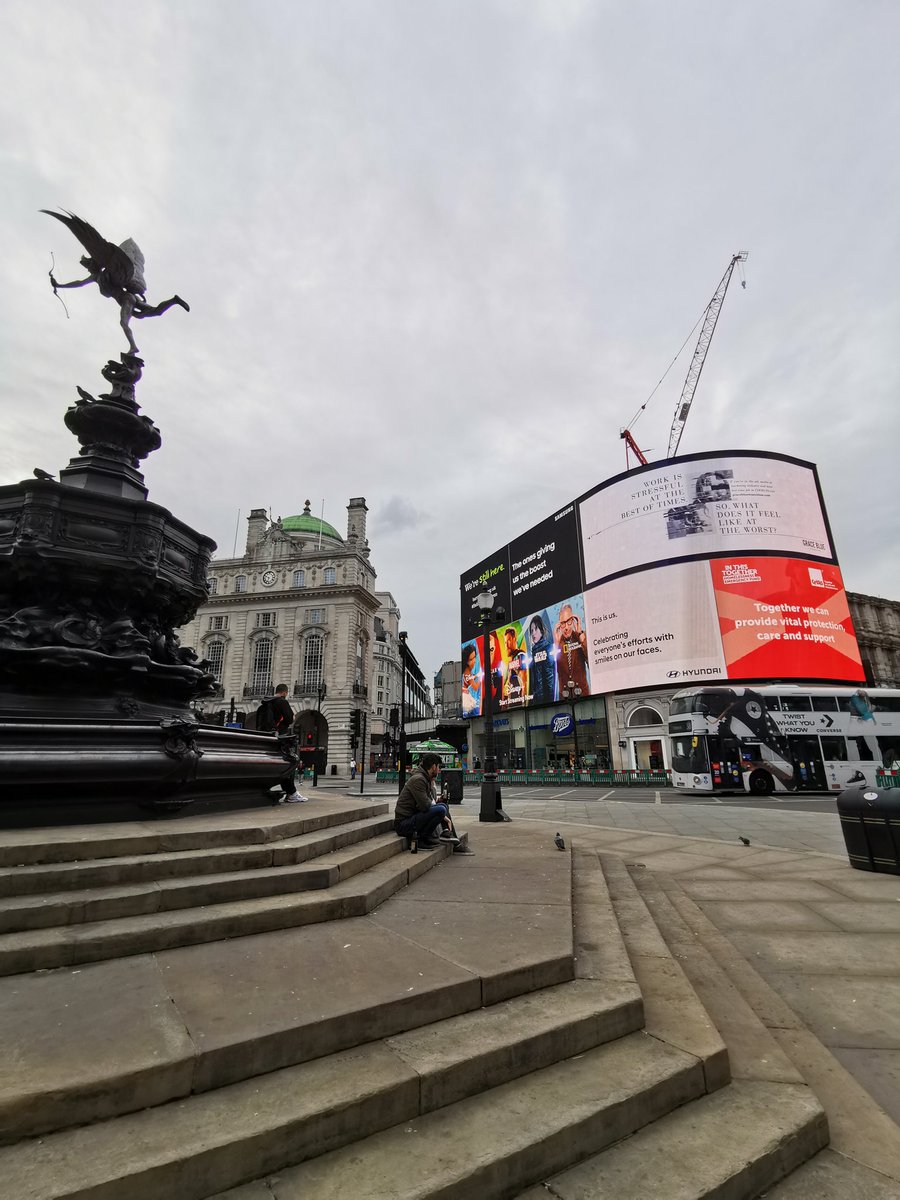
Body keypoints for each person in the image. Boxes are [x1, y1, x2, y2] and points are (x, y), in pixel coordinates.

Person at [394, 753, 460, 848]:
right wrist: (442, 815)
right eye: (438, 767)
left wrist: (437, 798)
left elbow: (428, 802)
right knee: (441, 809)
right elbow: (425, 806)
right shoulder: (419, 779)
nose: (439, 770)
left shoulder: (425, 778)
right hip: (403, 824)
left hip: (412, 818)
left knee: (443, 805)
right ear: (433, 767)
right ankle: (422, 838)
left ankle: (447, 834)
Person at [269, 684, 308, 804]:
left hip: (267, 738)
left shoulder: (266, 703)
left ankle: (290, 792)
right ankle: (291, 793)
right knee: (289, 764)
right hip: (280, 737)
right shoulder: (282, 702)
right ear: (285, 693)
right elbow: (290, 719)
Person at [554, 604, 589, 697]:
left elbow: (591, 663)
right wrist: (556, 644)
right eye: (563, 623)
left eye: (569, 621)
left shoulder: (581, 637)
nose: (566, 627)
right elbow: (553, 673)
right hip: (564, 698)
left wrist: (580, 634)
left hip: (583, 695)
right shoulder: (557, 644)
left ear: (573, 620)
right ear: (559, 625)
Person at [527, 613, 556, 704]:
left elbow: (550, 678)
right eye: (531, 630)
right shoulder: (534, 652)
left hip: (545, 701)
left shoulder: (548, 648)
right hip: (536, 701)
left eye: (536, 629)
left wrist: (551, 703)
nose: (533, 633)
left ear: (542, 630)